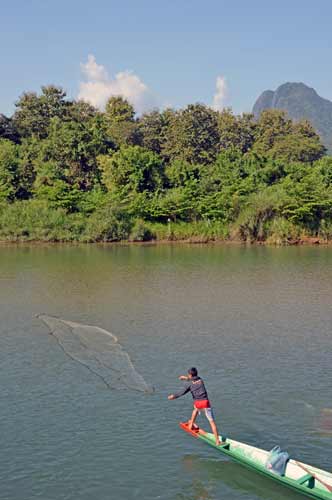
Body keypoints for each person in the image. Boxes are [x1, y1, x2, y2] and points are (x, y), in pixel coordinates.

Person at [168, 367, 223, 445]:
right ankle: (217, 441)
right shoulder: (200, 379)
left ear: (190, 375)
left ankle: (191, 424)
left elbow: (181, 392)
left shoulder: (189, 384)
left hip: (198, 403)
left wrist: (173, 396)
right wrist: (185, 378)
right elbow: (193, 379)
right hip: (205, 403)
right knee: (212, 422)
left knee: (196, 408)